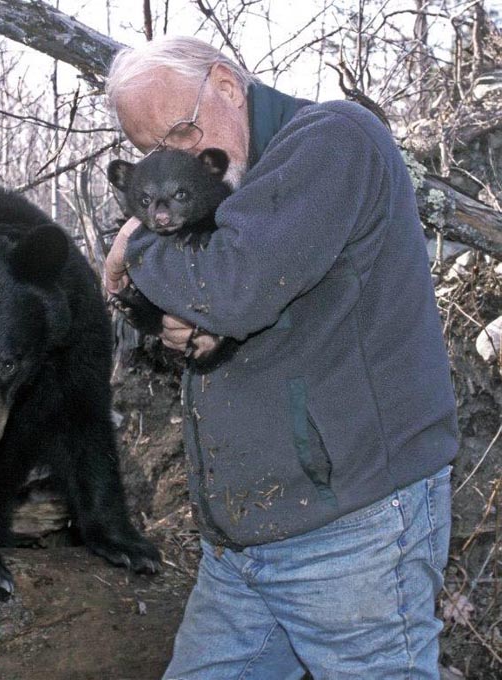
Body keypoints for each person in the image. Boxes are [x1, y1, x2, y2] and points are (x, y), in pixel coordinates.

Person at [104, 35, 458, 679]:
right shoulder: (221, 189)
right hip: (246, 538)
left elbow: (232, 288)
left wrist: (138, 249)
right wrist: (182, 328)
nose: (174, 162)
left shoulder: (332, 140)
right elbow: (237, 310)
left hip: (354, 530)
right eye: (153, 151)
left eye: (182, 133)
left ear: (228, 86)